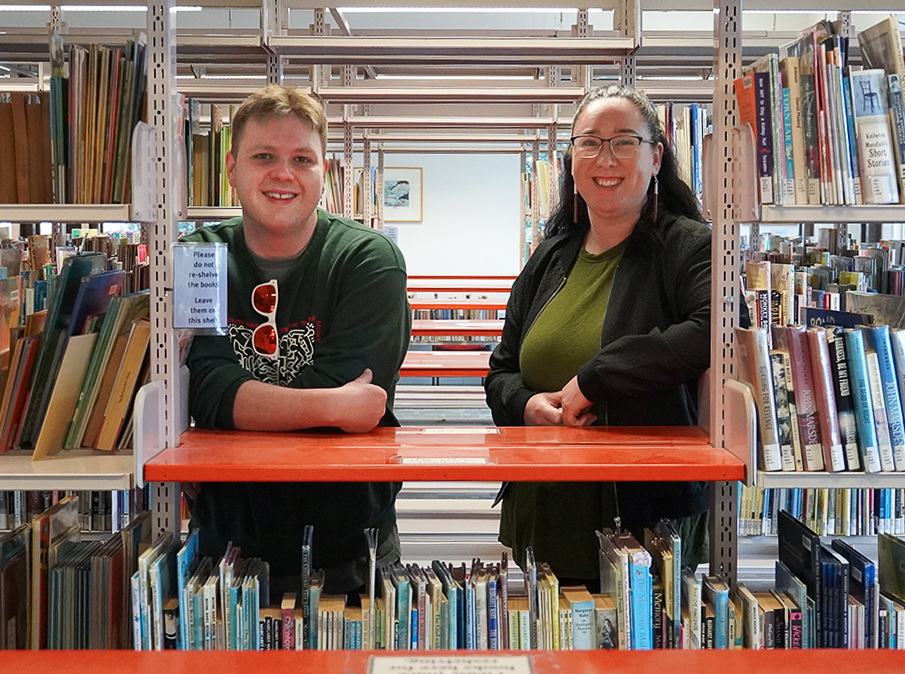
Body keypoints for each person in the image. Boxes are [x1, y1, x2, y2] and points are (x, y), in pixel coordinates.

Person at [182, 85, 411, 602]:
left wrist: (239, 410)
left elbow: (226, 398)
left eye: (301, 159)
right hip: (227, 546)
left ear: (323, 174)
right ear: (231, 167)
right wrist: (332, 405)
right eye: (264, 156)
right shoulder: (198, 257)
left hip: (350, 545)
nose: (283, 174)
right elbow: (206, 391)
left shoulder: (368, 261)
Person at [484, 84, 711, 591]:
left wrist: (596, 378)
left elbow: (709, 332)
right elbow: (500, 370)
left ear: (656, 157)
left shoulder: (688, 246)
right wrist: (525, 405)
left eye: (624, 141)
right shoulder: (551, 255)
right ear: (571, 161)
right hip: (548, 503)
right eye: (589, 142)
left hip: (643, 515)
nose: (604, 157)